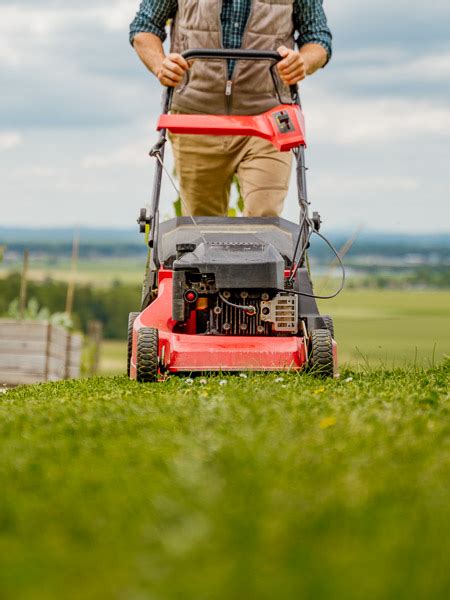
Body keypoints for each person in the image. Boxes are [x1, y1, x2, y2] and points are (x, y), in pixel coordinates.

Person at [130, 1, 332, 218]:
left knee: (264, 219)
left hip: (268, 119)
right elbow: (144, 26)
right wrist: (160, 65)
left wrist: (302, 61)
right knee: (203, 227)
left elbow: (318, 38)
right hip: (196, 120)